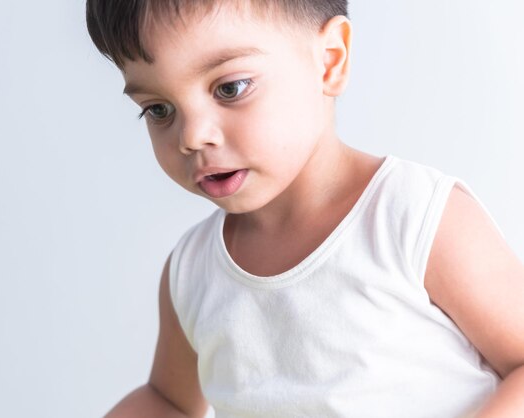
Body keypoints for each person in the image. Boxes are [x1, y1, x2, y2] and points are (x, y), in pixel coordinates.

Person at [85, 1, 524, 417]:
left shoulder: (412, 218)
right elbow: (169, 401)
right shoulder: (192, 272)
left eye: (229, 88)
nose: (192, 136)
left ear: (329, 60)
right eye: (159, 110)